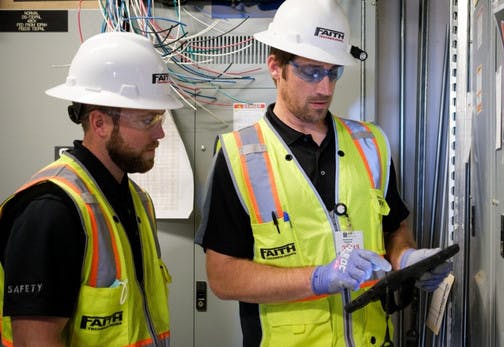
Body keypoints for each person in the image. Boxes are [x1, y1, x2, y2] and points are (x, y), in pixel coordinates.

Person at [195, 0, 452, 346]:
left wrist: (406, 257)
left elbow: (395, 229)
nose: (325, 89)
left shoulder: (371, 144)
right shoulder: (239, 156)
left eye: (333, 72)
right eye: (311, 71)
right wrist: (319, 278)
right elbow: (223, 277)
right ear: (276, 66)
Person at [0, 31, 182, 346]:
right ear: (99, 123)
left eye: (160, 118)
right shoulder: (50, 209)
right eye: (147, 120)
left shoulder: (138, 201)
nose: (161, 133)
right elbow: (34, 341)